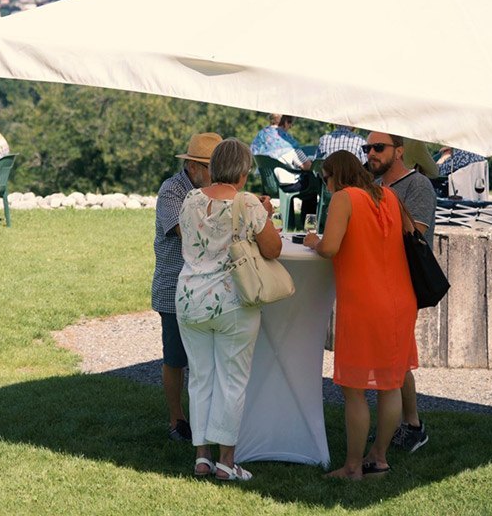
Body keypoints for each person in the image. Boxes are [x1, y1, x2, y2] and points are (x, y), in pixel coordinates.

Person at [304, 151, 418, 480]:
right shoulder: (390, 196)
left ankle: (353, 467)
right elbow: (408, 234)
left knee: (355, 389)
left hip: (364, 303)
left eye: (325, 178)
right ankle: (379, 459)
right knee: (389, 385)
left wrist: (314, 241)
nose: (324, 185)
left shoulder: (344, 198)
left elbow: (330, 248)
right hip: (400, 300)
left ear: (336, 175)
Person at [176, 138, 280, 482]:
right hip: (233, 300)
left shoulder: (190, 199)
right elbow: (273, 248)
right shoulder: (248, 203)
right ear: (245, 170)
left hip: (190, 298)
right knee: (232, 381)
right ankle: (226, 462)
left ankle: (201, 458)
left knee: (200, 377)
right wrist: (265, 214)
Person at [364, 130, 435, 453]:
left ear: (400, 151)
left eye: (378, 148)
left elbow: (414, 235)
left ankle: (413, 426)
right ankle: (397, 425)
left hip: (403, 282)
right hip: (380, 282)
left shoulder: (417, 185)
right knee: (392, 356)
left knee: (396, 357)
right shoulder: (376, 187)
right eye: (367, 148)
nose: (371, 154)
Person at [151, 132, 220, 443]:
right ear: (193, 167)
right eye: (211, 167)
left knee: (205, 357)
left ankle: (204, 417)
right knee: (176, 357)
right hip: (174, 285)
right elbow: (187, 232)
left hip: (204, 285)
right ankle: (176, 418)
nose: (216, 174)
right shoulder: (172, 191)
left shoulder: (212, 192)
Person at [251, 113, 317, 215]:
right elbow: (307, 166)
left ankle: (290, 220)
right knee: (313, 183)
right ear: (285, 122)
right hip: (287, 185)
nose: (290, 126)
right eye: (290, 123)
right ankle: (308, 221)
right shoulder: (287, 141)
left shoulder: (261, 136)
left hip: (268, 184)